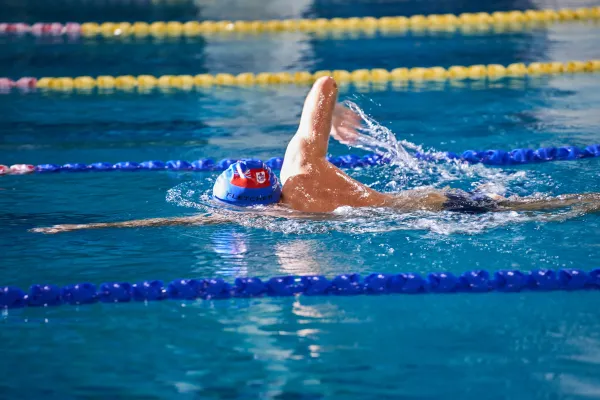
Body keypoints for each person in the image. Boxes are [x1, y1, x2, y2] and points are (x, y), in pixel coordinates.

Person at [32, 76, 600, 234]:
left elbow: (175, 219)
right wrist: (338, 117)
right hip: (434, 203)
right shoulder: (301, 167)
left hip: (425, 217)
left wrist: (90, 227)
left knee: (552, 209)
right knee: (547, 205)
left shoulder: (285, 213)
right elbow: (324, 81)